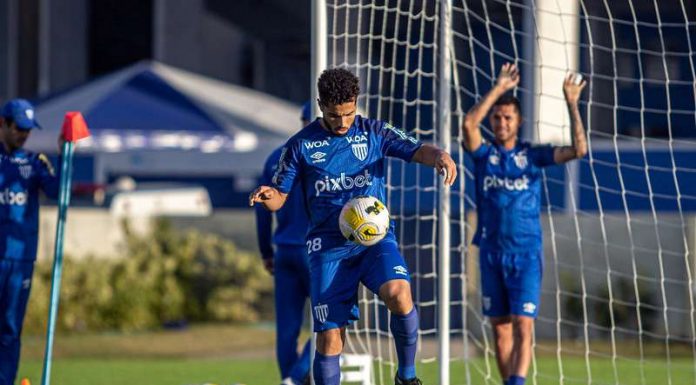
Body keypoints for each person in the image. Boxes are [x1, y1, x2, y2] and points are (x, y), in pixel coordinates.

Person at [250, 68, 457, 385]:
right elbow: (280, 196)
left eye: (348, 113)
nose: (343, 122)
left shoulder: (375, 132)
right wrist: (269, 196)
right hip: (328, 249)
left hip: (374, 241)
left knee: (400, 294)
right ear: (321, 105)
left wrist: (440, 155)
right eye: (334, 115)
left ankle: (406, 376)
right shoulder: (299, 146)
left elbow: (417, 150)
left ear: (356, 103)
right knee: (330, 338)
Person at [461, 63, 587, 385]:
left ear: (519, 122)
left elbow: (579, 149)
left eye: (508, 118)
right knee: (500, 333)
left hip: (526, 254)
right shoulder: (483, 154)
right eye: (498, 117)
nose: (501, 122)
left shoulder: (533, 155)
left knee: (523, 324)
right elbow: (468, 123)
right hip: (490, 253)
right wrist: (499, 89)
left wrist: (572, 104)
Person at [0, 99, 61, 385]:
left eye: (27, 130)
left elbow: (59, 192)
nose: (23, 135)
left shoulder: (35, 163)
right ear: (3, 124)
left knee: (10, 329)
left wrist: (66, 154)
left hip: (20, 259)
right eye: (18, 128)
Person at [255, 101, 313, 385]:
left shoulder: (274, 158)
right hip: (317, 253)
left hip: (285, 252)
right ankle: (296, 378)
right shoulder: (326, 156)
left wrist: (266, 250)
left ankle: (289, 378)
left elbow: (262, 210)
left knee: (287, 328)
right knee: (334, 323)